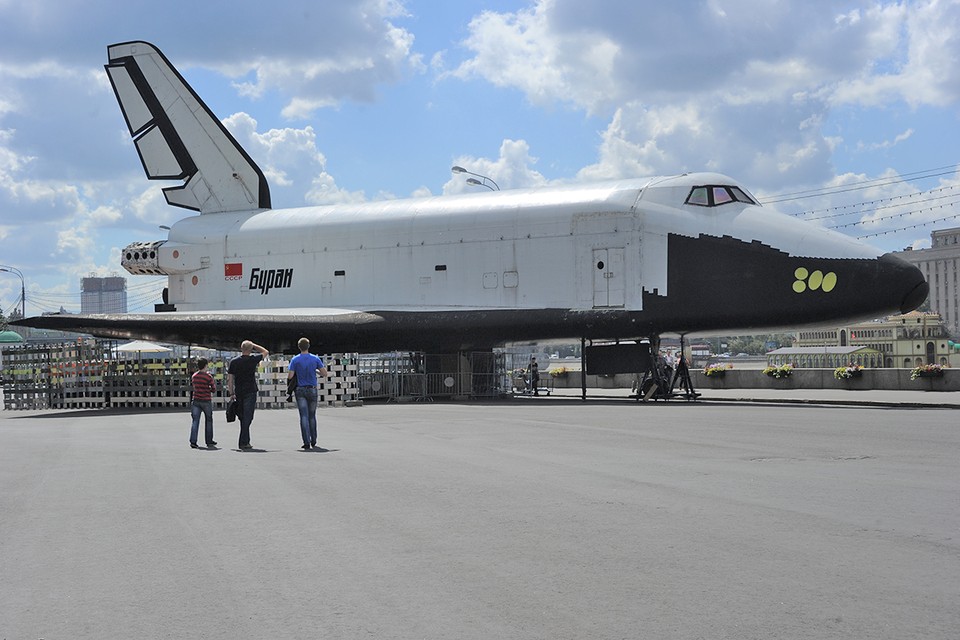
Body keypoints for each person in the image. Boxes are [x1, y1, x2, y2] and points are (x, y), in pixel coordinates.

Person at [287, 337, 328, 450]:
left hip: (300, 389)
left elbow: (290, 376)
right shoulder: (315, 359)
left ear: (299, 347)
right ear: (308, 346)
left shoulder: (295, 360)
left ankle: (306, 442)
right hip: (312, 389)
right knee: (312, 415)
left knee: (303, 416)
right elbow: (324, 373)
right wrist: (315, 370)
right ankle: (314, 439)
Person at [227, 340, 269, 450]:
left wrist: (231, 392)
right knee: (248, 417)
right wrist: (254, 345)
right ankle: (243, 442)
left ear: (241, 349)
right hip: (250, 390)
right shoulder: (253, 360)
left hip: (239, 391)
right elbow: (265, 351)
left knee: (242, 417)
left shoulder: (234, 362)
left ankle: (246, 441)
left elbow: (230, 379)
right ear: (251, 350)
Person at [189, 357, 217, 448]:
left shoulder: (194, 376)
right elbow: (213, 389)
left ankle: (193, 441)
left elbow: (195, 387)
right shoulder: (208, 376)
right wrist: (208, 388)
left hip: (196, 400)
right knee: (208, 420)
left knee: (195, 421)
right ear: (205, 365)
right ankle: (209, 441)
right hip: (206, 401)